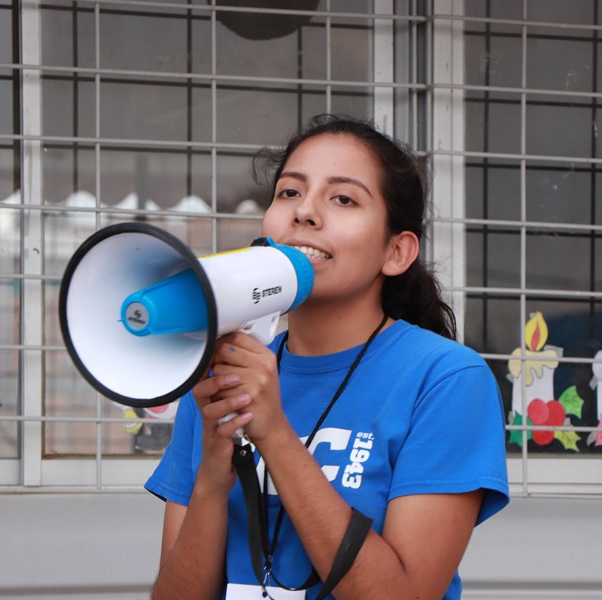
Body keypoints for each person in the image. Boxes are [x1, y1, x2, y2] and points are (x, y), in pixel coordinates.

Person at [145, 114, 509, 600]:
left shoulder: (445, 380)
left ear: (396, 252)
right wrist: (212, 476)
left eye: (343, 198)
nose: (305, 213)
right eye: (290, 193)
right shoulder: (221, 377)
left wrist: (273, 432)